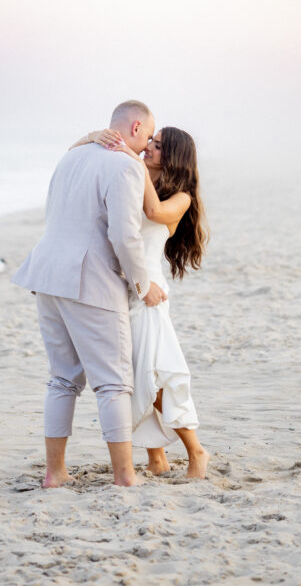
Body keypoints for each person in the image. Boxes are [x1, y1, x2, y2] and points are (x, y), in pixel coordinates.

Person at [11, 100, 166, 488]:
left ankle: (54, 473)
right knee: (114, 383)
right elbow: (123, 235)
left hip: (47, 274)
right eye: (147, 136)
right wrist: (142, 285)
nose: (147, 147)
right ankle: (125, 476)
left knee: (62, 379)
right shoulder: (126, 165)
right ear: (134, 128)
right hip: (90, 281)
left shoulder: (71, 156)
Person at [71, 124, 210, 479]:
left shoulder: (181, 198)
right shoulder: (134, 176)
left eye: (158, 145)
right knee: (134, 377)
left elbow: (153, 213)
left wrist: (132, 158)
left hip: (149, 296)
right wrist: (92, 138)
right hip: (121, 290)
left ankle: (196, 452)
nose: (148, 147)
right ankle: (157, 458)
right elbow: (73, 159)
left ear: (175, 156)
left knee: (156, 375)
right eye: (149, 140)